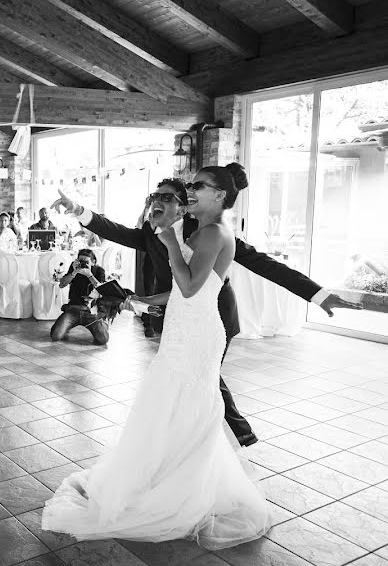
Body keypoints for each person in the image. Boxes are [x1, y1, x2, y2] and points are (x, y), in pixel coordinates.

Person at [42, 164, 272, 550]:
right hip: (182, 325)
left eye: (183, 191)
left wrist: (168, 245)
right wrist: (143, 300)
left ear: (204, 199)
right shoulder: (177, 231)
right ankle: (166, 475)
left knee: (193, 401)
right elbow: (125, 239)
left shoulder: (210, 232)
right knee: (173, 405)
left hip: (202, 327)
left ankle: (188, 485)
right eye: (156, 196)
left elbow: (193, 285)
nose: (159, 202)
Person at [53, 172, 361, 447]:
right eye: (154, 196)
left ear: (183, 204)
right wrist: (78, 209)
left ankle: (227, 440)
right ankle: (205, 441)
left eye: (166, 196)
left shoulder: (204, 229)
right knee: (191, 379)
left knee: (204, 378)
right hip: (174, 314)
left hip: (212, 314)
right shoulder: (150, 231)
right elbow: (114, 229)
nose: (156, 201)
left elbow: (261, 263)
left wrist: (317, 294)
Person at [49, 249, 109, 344]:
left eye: (86, 262)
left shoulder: (99, 271)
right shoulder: (75, 268)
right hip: (73, 309)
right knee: (55, 335)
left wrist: (89, 275)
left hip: (91, 312)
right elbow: (62, 285)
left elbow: (102, 292)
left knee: (103, 340)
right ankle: (66, 324)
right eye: (81, 261)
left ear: (93, 262)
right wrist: (74, 272)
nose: (83, 264)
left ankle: (102, 324)